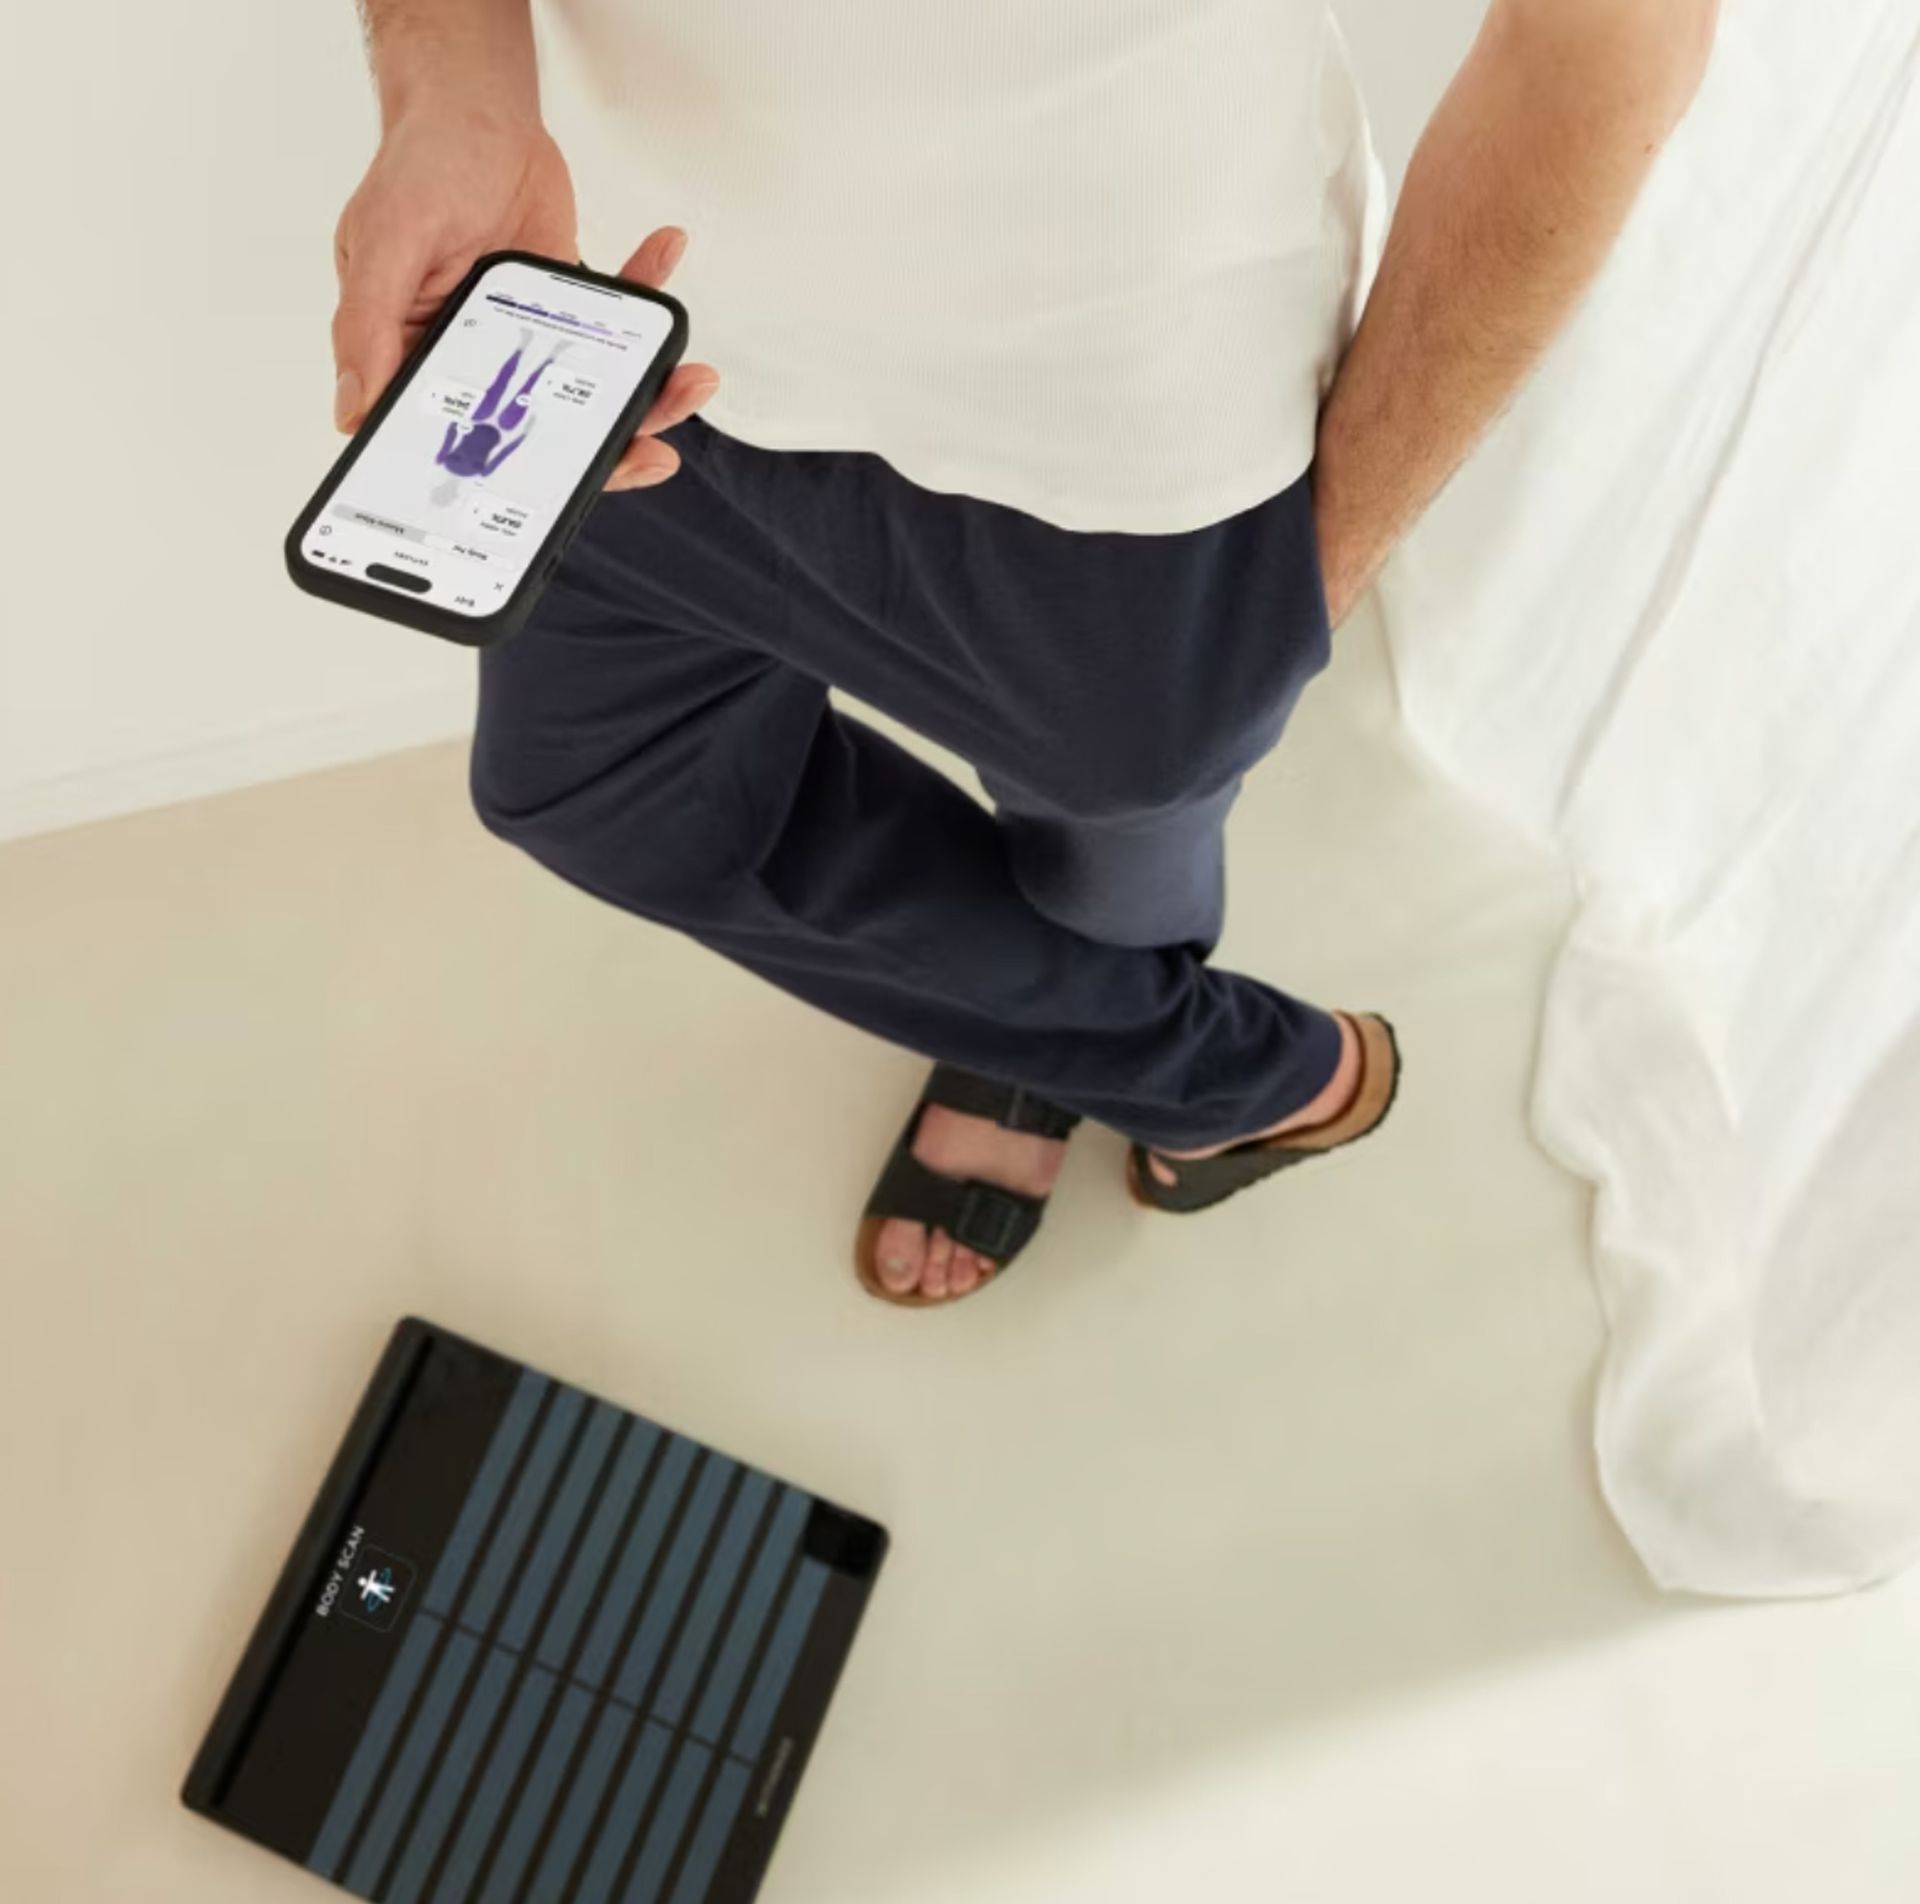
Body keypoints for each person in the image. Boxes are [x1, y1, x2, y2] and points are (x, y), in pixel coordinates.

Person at [329, 0, 1719, 1305]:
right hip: (632, 343)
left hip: (1121, 464)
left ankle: (1049, 1047)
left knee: (1109, 859)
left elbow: (1598, 46)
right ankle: (1211, 1077)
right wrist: (452, 93)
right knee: (591, 790)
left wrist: (1312, 570)